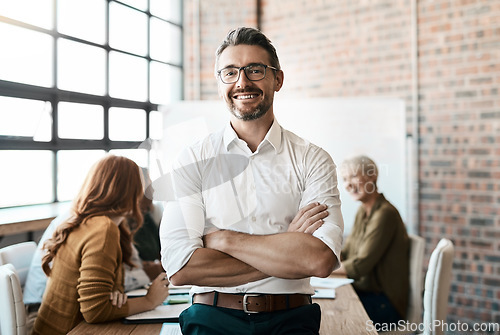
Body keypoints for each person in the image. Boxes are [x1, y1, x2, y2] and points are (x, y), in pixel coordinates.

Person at [159, 27, 344, 334]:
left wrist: (224, 240)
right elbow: (180, 269)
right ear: (220, 84)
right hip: (211, 317)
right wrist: (286, 242)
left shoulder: (313, 159)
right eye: (230, 72)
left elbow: (320, 259)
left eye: (255, 70)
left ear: (278, 79)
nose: (242, 82)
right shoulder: (191, 160)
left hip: (291, 319)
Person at [32, 155, 169, 335]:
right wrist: (150, 300)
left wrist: (114, 291)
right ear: (130, 191)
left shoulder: (91, 221)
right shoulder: (103, 229)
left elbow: (98, 297)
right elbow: (94, 311)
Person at [335, 155, 409, 325]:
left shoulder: (385, 214)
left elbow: (360, 265)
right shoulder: (363, 212)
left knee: (332, 316)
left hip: (385, 304)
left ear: (372, 176)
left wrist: (320, 270)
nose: (347, 184)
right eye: (345, 179)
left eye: (353, 176)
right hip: (367, 294)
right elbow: (346, 254)